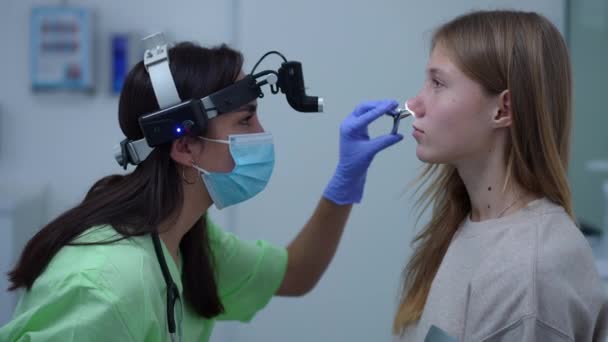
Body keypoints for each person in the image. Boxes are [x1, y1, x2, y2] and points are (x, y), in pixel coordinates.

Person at [0, 42, 403, 341]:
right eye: (246, 122)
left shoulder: (187, 239)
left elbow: (295, 275)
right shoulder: (104, 287)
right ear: (183, 145)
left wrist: (345, 182)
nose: (262, 135)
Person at [392, 10, 608, 341]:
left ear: (503, 109)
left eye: (437, 83)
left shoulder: (529, 276)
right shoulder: (472, 223)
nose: (414, 104)